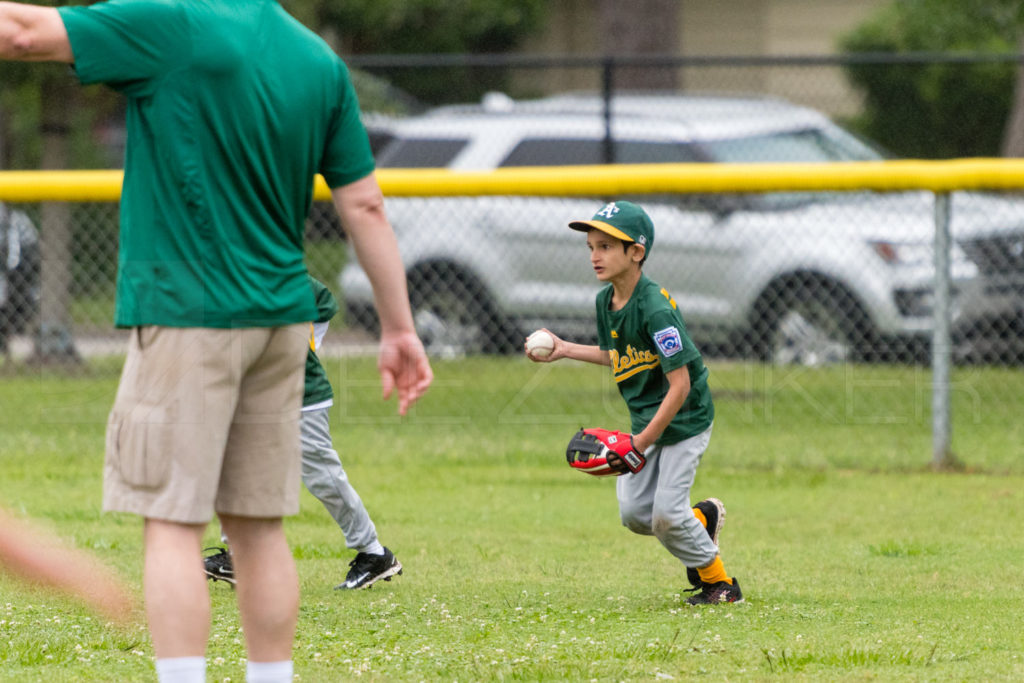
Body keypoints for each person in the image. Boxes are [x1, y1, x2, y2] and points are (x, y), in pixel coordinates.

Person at [1, 3, 433, 683]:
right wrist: (400, 328)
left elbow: (20, 32)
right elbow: (366, 206)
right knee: (257, 528)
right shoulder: (316, 58)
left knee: (172, 523)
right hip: (280, 322)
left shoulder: (172, 23)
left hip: (188, 317)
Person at [525, 200, 742, 605]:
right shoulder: (604, 303)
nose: (595, 256)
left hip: (685, 421)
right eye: (591, 246)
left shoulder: (655, 308)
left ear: (636, 252)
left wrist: (639, 444)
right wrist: (564, 348)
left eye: (606, 246)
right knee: (635, 515)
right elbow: (618, 355)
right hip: (646, 418)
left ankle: (721, 585)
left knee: (666, 515)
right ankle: (702, 521)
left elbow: (679, 386)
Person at [204, 277, 403, 591]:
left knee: (322, 476)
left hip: (301, 395)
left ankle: (374, 553)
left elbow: (323, 301)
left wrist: (307, 346)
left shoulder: (273, 267)